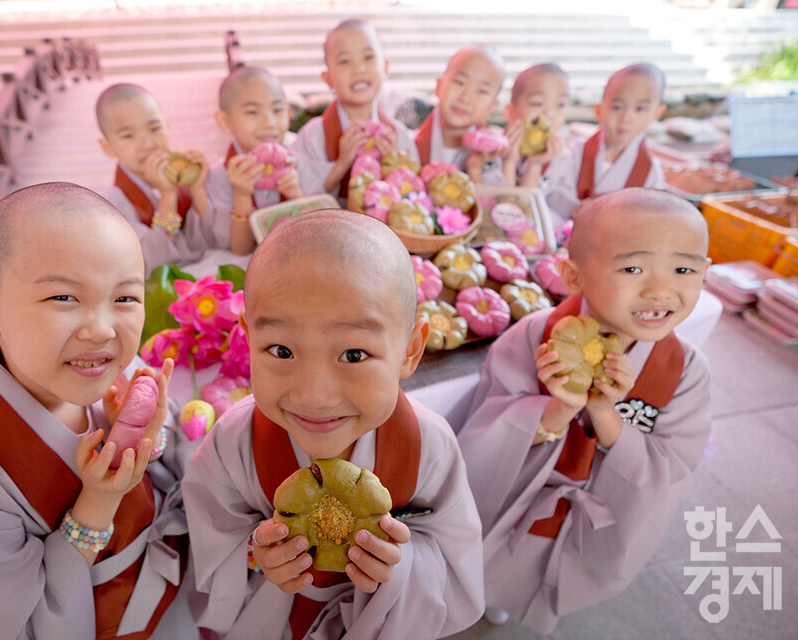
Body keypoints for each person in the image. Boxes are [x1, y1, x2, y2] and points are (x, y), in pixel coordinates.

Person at [0, 183, 197, 640]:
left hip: (176, 599)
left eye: (125, 298)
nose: (101, 330)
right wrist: (97, 503)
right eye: (64, 298)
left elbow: (175, 471)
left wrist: (144, 440)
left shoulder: (112, 372)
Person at [181, 210, 485, 640]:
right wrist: (257, 555)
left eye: (354, 355)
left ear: (410, 350)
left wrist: (399, 566)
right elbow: (211, 544)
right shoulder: (233, 442)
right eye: (282, 351)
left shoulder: (429, 446)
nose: (314, 396)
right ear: (248, 337)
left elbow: (455, 559)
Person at [456, 188, 712, 634]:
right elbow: (487, 429)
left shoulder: (685, 368)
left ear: (704, 273)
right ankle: (490, 596)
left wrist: (606, 415)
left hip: (605, 508)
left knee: (563, 567)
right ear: (573, 276)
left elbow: (672, 462)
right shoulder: (533, 336)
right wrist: (561, 407)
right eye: (633, 268)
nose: (660, 289)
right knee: (498, 564)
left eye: (683, 269)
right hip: (522, 497)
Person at [291, 19, 420, 204]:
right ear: (328, 78)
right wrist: (341, 164)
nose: (358, 69)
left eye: (368, 57)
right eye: (344, 61)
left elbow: (414, 200)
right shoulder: (312, 136)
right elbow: (298, 200)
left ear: (385, 68)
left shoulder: (398, 136)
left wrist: (392, 164)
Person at [205, 66, 325, 255]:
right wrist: (241, 195)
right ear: (225, 122)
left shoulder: (300, 156)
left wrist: (296, 196)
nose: (269, 122)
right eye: (253, 112)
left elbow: (321, 234)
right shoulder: (219, 176)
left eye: (276, 110)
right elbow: (241, 249)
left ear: (287, 114)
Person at [96, 83, 208, 272]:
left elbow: (216, 239)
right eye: (128, 136)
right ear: (108, 147)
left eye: (155, 129)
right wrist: (168, 196)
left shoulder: (184, 173)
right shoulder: (112, 205)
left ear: (168, 128)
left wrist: (198, 189)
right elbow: (154, 263)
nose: (147, 144)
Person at [544, 63, 668, 222]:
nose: (626, 118)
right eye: (617, 107)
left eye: (640, 109)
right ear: (599, 110)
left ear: (657, 113)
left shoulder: (651, 171)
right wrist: (574, 208)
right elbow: (551, 192)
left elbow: (649, 217)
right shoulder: (573, 152)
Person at [414, 45, 508, 185]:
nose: (465, 98)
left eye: (482, 91)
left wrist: (475, 169)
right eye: (459, 82)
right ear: (439, 86)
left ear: (492, 106)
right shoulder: (409, 143)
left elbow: (492, 203)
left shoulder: (495, 150)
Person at [500, 62, 571, 189]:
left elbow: (529, 203)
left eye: (560, 105)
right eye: (537, 103)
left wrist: (535, 164)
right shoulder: (494, 148)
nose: (549, 114)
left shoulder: (562, 157)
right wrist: (509, 161)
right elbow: (505, 200)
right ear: (510, 112)